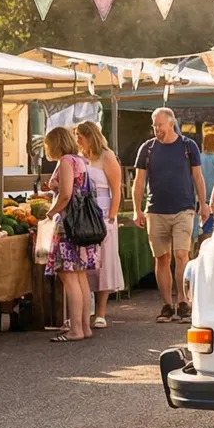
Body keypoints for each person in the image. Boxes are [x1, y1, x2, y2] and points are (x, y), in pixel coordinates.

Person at [132, 107, 207, 324]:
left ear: (171, 123)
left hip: (183, 208)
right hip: (155, 210)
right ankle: (167, 304)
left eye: (160, 125)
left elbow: (197, 177)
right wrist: (138, 209)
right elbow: (139, 182)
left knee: (182, 254)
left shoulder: (187, 146)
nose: (156, 129)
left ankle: (183, 302)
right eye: (154, 125)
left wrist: (204, 204)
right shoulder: (147, 148)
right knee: (161, 258)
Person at [40, 126, 100, 343]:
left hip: (68, 225)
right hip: (81, 225)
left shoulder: (66, 161)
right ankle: (84, 326)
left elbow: (66, 194)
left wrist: (50, 212)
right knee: (80, 275)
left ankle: (75, 329)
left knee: (69, 276)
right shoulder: (79, 160)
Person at [76, 120, 124, 329]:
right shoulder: (79, 158)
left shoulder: (107, 156)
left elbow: (116, 189)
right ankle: (86, 309)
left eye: (80, 135)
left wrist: (112, 217)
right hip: (84, 214)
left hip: (103, 213)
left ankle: (101, 312)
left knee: (104, 263)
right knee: (85, 263)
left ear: (89, 136)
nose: (77, 139)